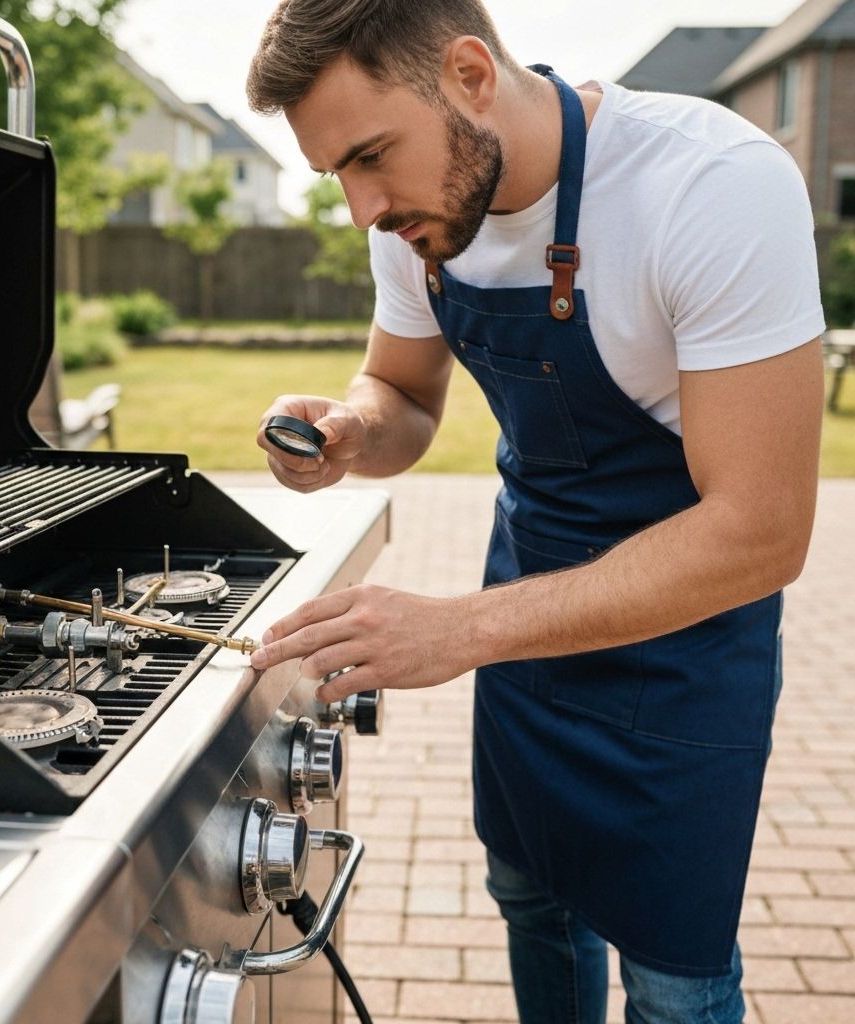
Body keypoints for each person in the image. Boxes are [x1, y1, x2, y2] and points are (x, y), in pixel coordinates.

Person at [245, 2, 825, 1021]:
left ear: (469, 74)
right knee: (528, 895)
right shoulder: (414, 218)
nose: (361, 207)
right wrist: (347, 430)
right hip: (524, 624)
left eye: (373, 155)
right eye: (338, 172)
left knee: (676, 979)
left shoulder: (709, 186)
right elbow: (405, 399)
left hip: (683, 653)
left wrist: (460, 629)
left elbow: (761, 530)